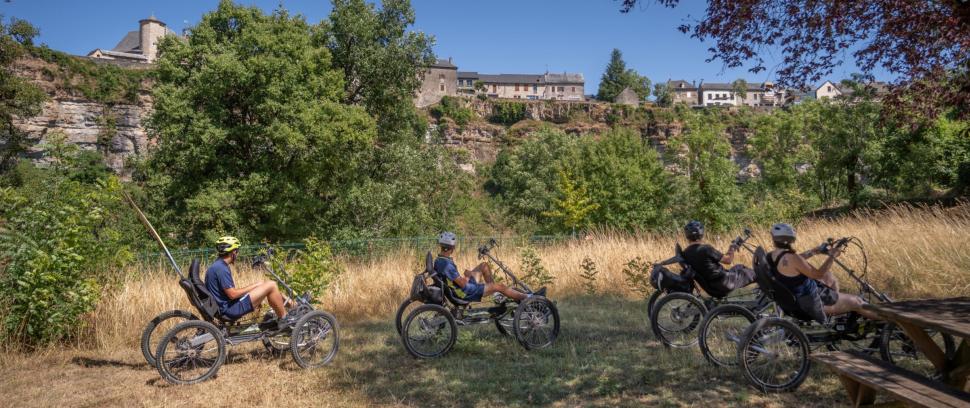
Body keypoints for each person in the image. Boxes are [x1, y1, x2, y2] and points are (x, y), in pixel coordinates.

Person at [766, 223, 877, 320]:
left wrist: (814, 251)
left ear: (774, 238)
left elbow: (791, 262)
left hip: (793, 300)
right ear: (791, 239)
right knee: (857, 301)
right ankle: (889, 319)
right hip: (808, 303)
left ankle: (835, 309)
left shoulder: (772, 256)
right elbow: (818, 274)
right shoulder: (792, 258)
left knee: (829, 277)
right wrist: (832, 256)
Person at [204, 236, 291, 325]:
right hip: (230, 310)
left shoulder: (216, 266)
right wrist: (255, 286)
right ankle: (285, 320)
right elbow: (232, 294)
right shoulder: (221, 268)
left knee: (265, 285)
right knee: (271, 285)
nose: (237, 254)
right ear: (233, 252)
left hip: (226, 307)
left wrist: (255, 289)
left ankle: (292, 305)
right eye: (237, 251)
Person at [432, 232, 541, 302]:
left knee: (484, 265)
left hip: (463, 288)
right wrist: (467, 276)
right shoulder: (446, 264)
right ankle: (529, 298)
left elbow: (453, 280)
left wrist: (467, 276)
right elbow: (461, 283)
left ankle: (496, 295)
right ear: (453, 248)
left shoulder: (440, 260)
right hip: (466, 292)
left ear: (441, 246)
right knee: (500, 286)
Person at [680, 220, 756, 298]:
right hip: (724, 283)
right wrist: (732, 248)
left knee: (740, 266)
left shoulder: (686, 253)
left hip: (712, 287)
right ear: (701, 234)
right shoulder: (706, 249)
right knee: (756, 273)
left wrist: (731, 248)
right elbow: (728, 260)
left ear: (687, 236)